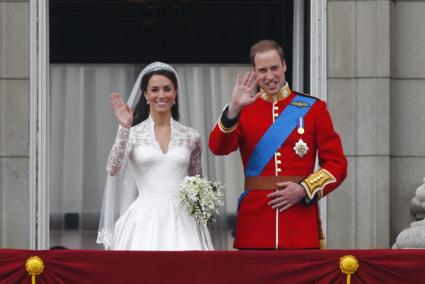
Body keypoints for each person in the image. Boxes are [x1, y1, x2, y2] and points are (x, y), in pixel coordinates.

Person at [208, 40, 347, 250]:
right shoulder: (243, 110)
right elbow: (218, 147)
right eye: (262, 70)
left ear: (284, 65)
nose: (270, 76)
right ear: (254, 72)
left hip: (299, 222)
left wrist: (304, 189)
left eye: (274, 68)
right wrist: (233, 110)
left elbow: (337, 164)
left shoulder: (314, 109)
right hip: (254, 225)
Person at [97, 62, 213, 250]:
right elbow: (113, 168)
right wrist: (124, 128)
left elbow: (196, 181)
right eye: (154, 89)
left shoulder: (191, 136)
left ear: (175, 93)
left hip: (184, 221)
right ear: (145, 94)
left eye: (167, 89)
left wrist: (203, 216)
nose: (161, 95)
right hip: (143, 219)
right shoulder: (133, 133)